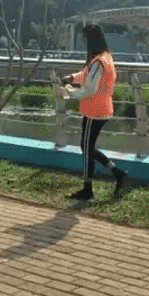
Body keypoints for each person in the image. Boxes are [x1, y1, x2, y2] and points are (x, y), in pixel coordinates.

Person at [60, 24, 127, 200]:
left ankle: (94, 186)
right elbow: (87, 75)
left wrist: (70, 92)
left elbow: (90, 89)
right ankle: (115, 175)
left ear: (91, 40)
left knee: (87, 148)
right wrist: (72, 78)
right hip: (101, 109)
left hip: (94, 111)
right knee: (87, 147)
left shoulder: (98, 62)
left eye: (85, 40)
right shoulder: (105, 58)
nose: (84, 44)